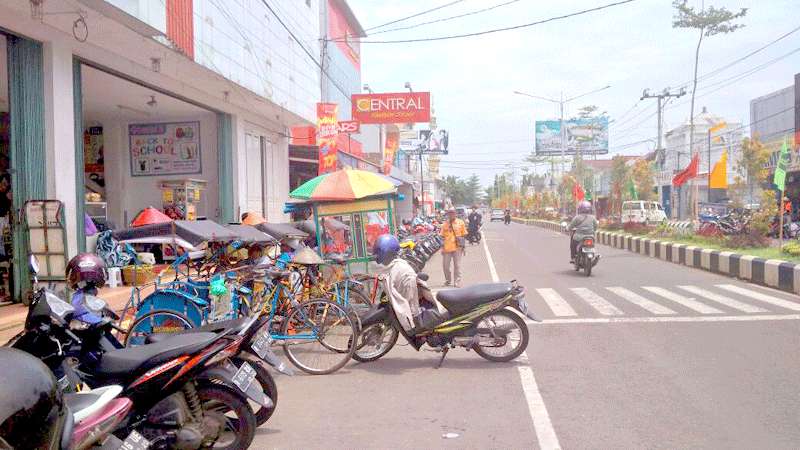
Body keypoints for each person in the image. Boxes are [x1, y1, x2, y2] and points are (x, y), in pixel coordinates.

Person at [440, 208, 466, 287]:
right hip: (447, 248)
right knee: (445, 266)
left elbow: (464, 235)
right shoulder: (444, 224)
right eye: (449, 213)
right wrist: (442, 248)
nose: (451, 215)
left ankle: (457, 281)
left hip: (457, 247)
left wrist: (463, 247)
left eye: (452, 213)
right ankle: (448, 280)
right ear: (448, 214)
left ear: (455, 214)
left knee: (457, 265)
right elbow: (442, 237)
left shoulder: (460, 223)